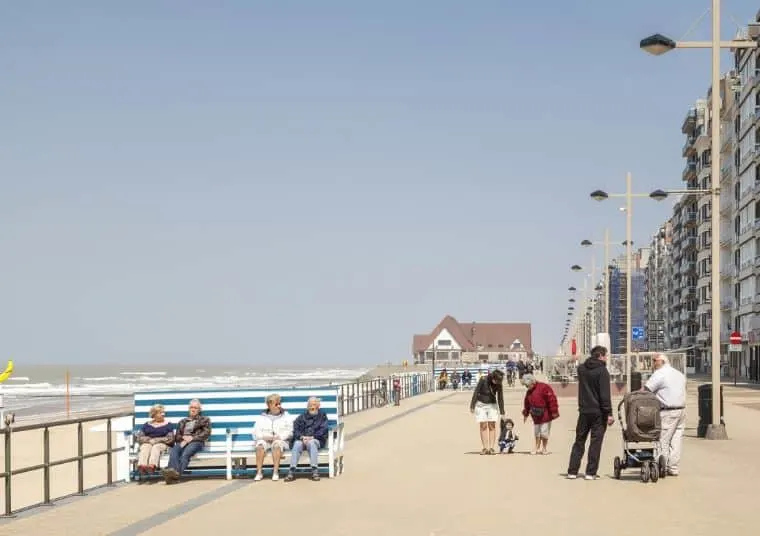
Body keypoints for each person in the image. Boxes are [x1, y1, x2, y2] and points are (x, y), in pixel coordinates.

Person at [566, 346, 613, 480]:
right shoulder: (602, 371)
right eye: (606, 356)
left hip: (584, 411)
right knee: (595, 442)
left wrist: (575, 357)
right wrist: (609, 413)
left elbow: (577, 364)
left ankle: (572, 471)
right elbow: (605, 395)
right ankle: (590, 472)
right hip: (598, 412)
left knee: (579, 441)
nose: (607, 358)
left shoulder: (582, 369)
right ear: (600, 356)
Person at [643, 353, 687, 476]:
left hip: (668, 412)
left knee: (663, 439)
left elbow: (646, 390)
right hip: (682, 410)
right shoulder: (679, 374)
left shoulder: (660, 374)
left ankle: (660, 466)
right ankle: (673, 468)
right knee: (676, 440)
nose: (653, 363)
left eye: (654, 361)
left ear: (661, 361)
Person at [162, 399, 212, 484]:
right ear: (188, 409)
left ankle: (172, 475)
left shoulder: (204, 419)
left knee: (186, 453)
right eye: (191, 407)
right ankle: (173, 476)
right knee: (174, 451)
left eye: (195, 408)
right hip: (183, 442)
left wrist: (192, 438)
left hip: (196, 442)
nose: (193, 409)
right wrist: (184, 438)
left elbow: (206, 433)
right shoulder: (182, 421)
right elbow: (177, 436)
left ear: (199, 410)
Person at [284, 397, 328, 482]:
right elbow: (295, 429)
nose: (312, 406)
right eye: (310, 405)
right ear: (307, 406)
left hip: (316, 440)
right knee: (297, 444)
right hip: (302, 439)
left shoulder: (322, 416)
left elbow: (323, 430)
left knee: (311, 443)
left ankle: (315, 470)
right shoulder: (302, 417)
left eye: (314, 404)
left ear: (318, 406)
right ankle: (291, 471)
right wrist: (302, 437)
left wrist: (312, 437)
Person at [253, 393, 294, 481]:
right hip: (265, 439)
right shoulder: (261, 417)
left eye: (279, 403)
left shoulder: (286, 416)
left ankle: (275, 472)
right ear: (269, 405)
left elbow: (290, 431)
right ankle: (259, 472)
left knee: (276, 445)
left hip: (281, 440)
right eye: (276, 404)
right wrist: (265, 437)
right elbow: (256, 432)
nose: (279, 406)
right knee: (260, 446)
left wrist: (280, 437)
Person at [469, 369, 506, 455]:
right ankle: (485, 448)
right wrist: (472, 405)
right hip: (481, 405)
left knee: (492, 426)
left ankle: (492, 448)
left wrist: (502, 412)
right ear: (493, 377)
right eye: (496, 380)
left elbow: (500, 398)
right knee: (483, 426)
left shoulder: (499, 383)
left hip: (492, 405)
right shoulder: (483, 379)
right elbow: (476, 392)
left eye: (498, 381)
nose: (497, 382)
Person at [521, 374, 559, 455]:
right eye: (526, 386)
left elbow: (552, 399)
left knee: (544, 432)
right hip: (535, 415)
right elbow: (526, 403)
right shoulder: (529, 392)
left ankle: (544, 448)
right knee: (537, 432)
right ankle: (536, 448)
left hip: (545, 414)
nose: (527, 387)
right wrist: (525, 414)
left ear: (532, 382)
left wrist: (554, 411)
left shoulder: (544, 387)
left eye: (527, 385)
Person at [136, 404, 175, 475]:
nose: (163, 414)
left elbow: (170, 438)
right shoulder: (147, 425)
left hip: (162, 444)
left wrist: (156, 440)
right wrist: (149, 440)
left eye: (163, 412)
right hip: (149, 443)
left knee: (156, 447)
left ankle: (152, 466)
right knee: (145, 447)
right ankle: (142, 466)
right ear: (154, 414)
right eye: (160, 413)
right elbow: (140, 437)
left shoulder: (168, 425)